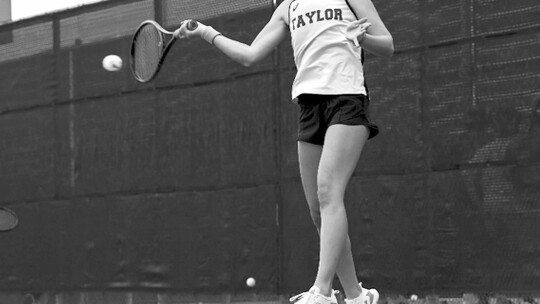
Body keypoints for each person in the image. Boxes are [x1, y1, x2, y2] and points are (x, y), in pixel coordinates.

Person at [175, 1, 393, 304]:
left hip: (346, 100)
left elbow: (388, 45)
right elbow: (251, 55)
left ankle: (322, 292)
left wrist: (363, 39)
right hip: (308, 107)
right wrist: (207, 32)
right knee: (319, 210)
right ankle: (357, 296)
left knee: (329, 191)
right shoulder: (288, 7)